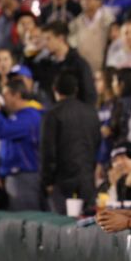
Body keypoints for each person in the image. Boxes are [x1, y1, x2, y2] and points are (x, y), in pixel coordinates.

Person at [41, 73, 102, 214]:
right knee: (87, 225)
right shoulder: (91, 112)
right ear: (76, 90)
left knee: (62, 229)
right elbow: (97, 143)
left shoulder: (52, 114)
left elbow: (48, 150)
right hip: (87, 179)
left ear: (54, 89)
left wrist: (47, 181)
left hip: (62, 183)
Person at [0, 78, 43, 211]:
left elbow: (2, 131)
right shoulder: (16, 116)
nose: (2, 99)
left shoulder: (30, 115)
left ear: (16, 95)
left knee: (27, 221)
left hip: (25, 177)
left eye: (5, 95)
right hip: (16, 176)